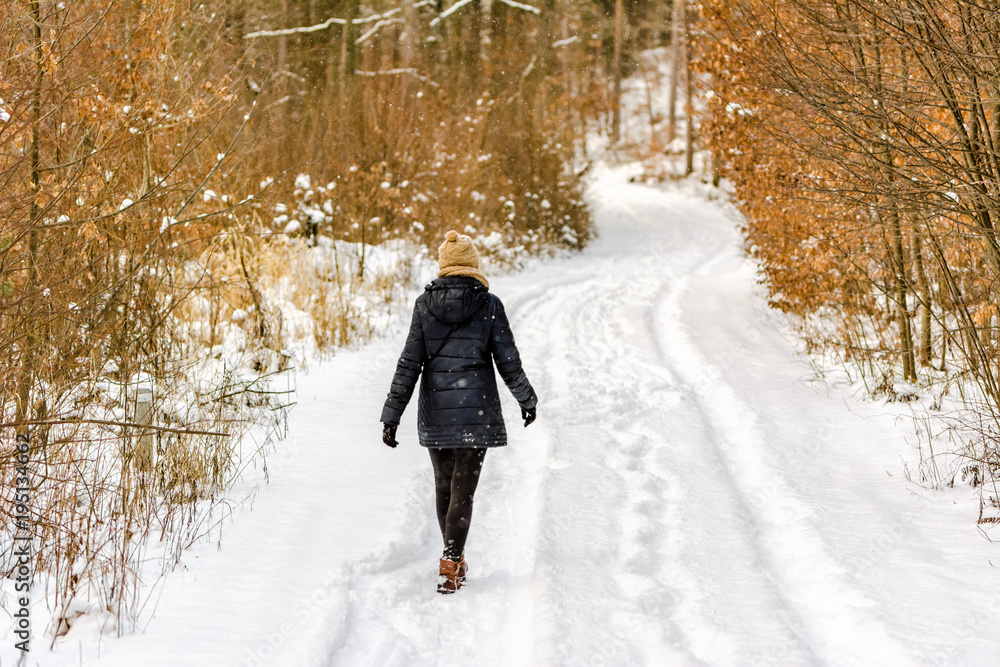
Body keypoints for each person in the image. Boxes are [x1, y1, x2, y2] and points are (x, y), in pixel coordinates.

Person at [380, 230, 537, 594]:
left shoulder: (424, 305)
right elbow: (507, 361)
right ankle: (451, 562)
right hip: (475, 412)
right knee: (462, 490)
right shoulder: (489, 304)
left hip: (436, 409)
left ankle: (452, 561)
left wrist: (392, 415)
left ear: (444, 266)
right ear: (473, 265)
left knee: (443, 485)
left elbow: (409, 363)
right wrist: (526, 400)